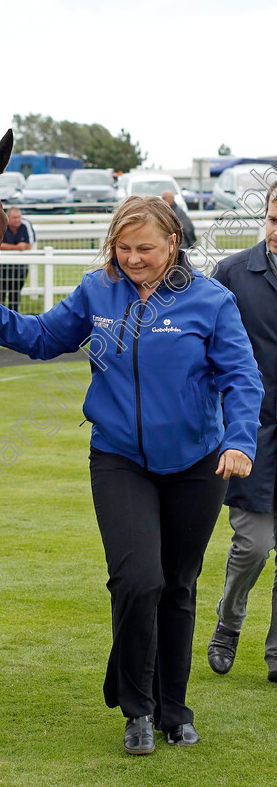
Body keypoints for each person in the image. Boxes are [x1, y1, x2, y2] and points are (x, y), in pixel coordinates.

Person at [0, 195, 263, 755]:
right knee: (139, 580)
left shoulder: (211, 301)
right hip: (119, 460)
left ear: (173, 245)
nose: (134, 259)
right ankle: (137, 710)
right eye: (124, 247)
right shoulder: (98, 292)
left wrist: (238, 440)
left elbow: (242, 377)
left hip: (197, 465)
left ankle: (174, 708)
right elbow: (45, 338)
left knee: (177, 587)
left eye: (146, 248)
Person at [207, 179, 277, 681]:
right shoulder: (232, 273)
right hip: (254, 433)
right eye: (274, 220)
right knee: (253, 545)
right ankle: (229, 623)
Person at [0, 206, 36, 312]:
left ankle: (14, 317)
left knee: (15, 293)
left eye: (19, 217)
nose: (17, 220)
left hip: (19, 268)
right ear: (8, 218)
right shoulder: (0, 225)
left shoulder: (25, 224)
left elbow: (29, 245)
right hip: (1, 268)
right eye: (14, 217)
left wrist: (7, 246)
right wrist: (17, 247)